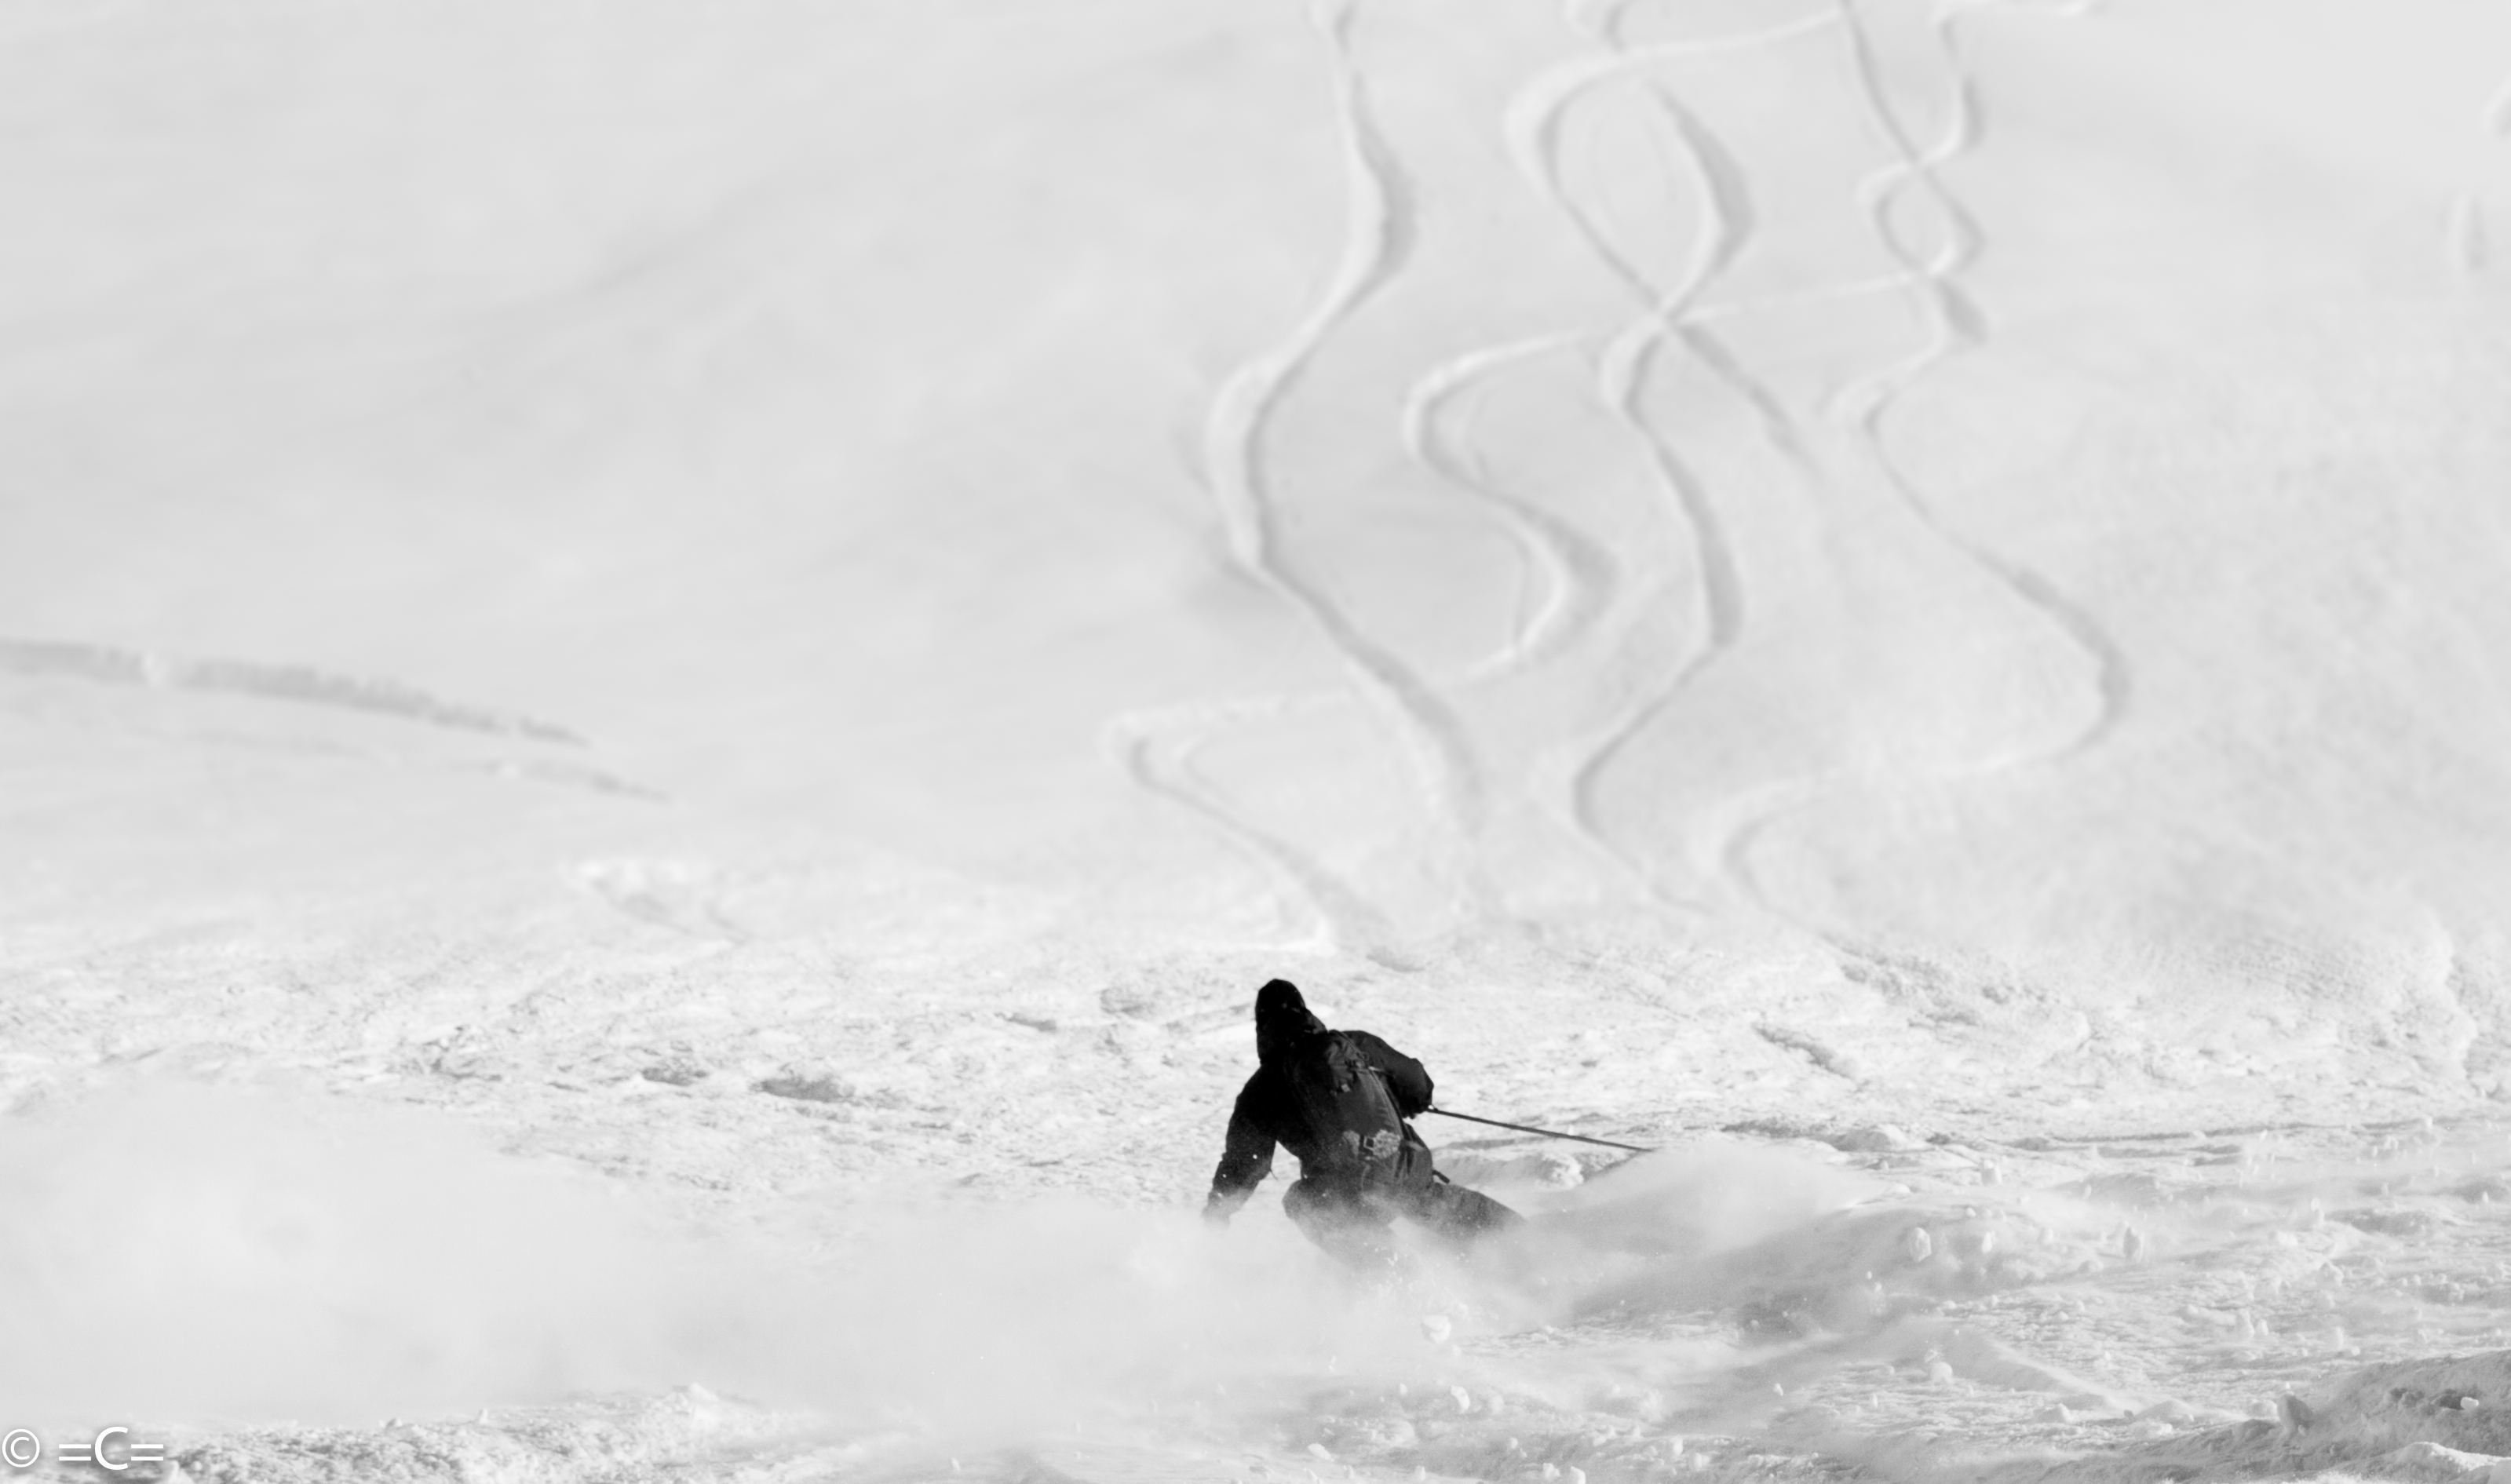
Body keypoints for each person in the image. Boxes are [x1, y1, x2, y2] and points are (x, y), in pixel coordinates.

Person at [1203, 978, 1521, 1269]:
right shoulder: (1353, 1045)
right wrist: (1413, 1101)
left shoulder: (1260, 1091)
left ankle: (1395, 1275)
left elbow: (1244, 1163)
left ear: (1261, 1028)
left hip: (1342, 1193)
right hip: (1397, 1165)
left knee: (1303, 1202)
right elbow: (1415, 1081)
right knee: (1430, 1201)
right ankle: (1523, 1241)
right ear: (1304, 1011)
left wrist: (1217, 1211)